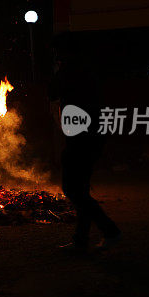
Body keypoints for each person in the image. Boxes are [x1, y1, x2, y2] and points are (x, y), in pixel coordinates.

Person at [49, 33, 121, 252]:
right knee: (79, 189)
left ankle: (110, 231)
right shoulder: (86, 69)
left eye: (58, 52)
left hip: (81, 138)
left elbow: (52, 92)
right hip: (91, 135)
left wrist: (57, 71)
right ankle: (81, 240)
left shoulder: (70, 70)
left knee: (72, 189)